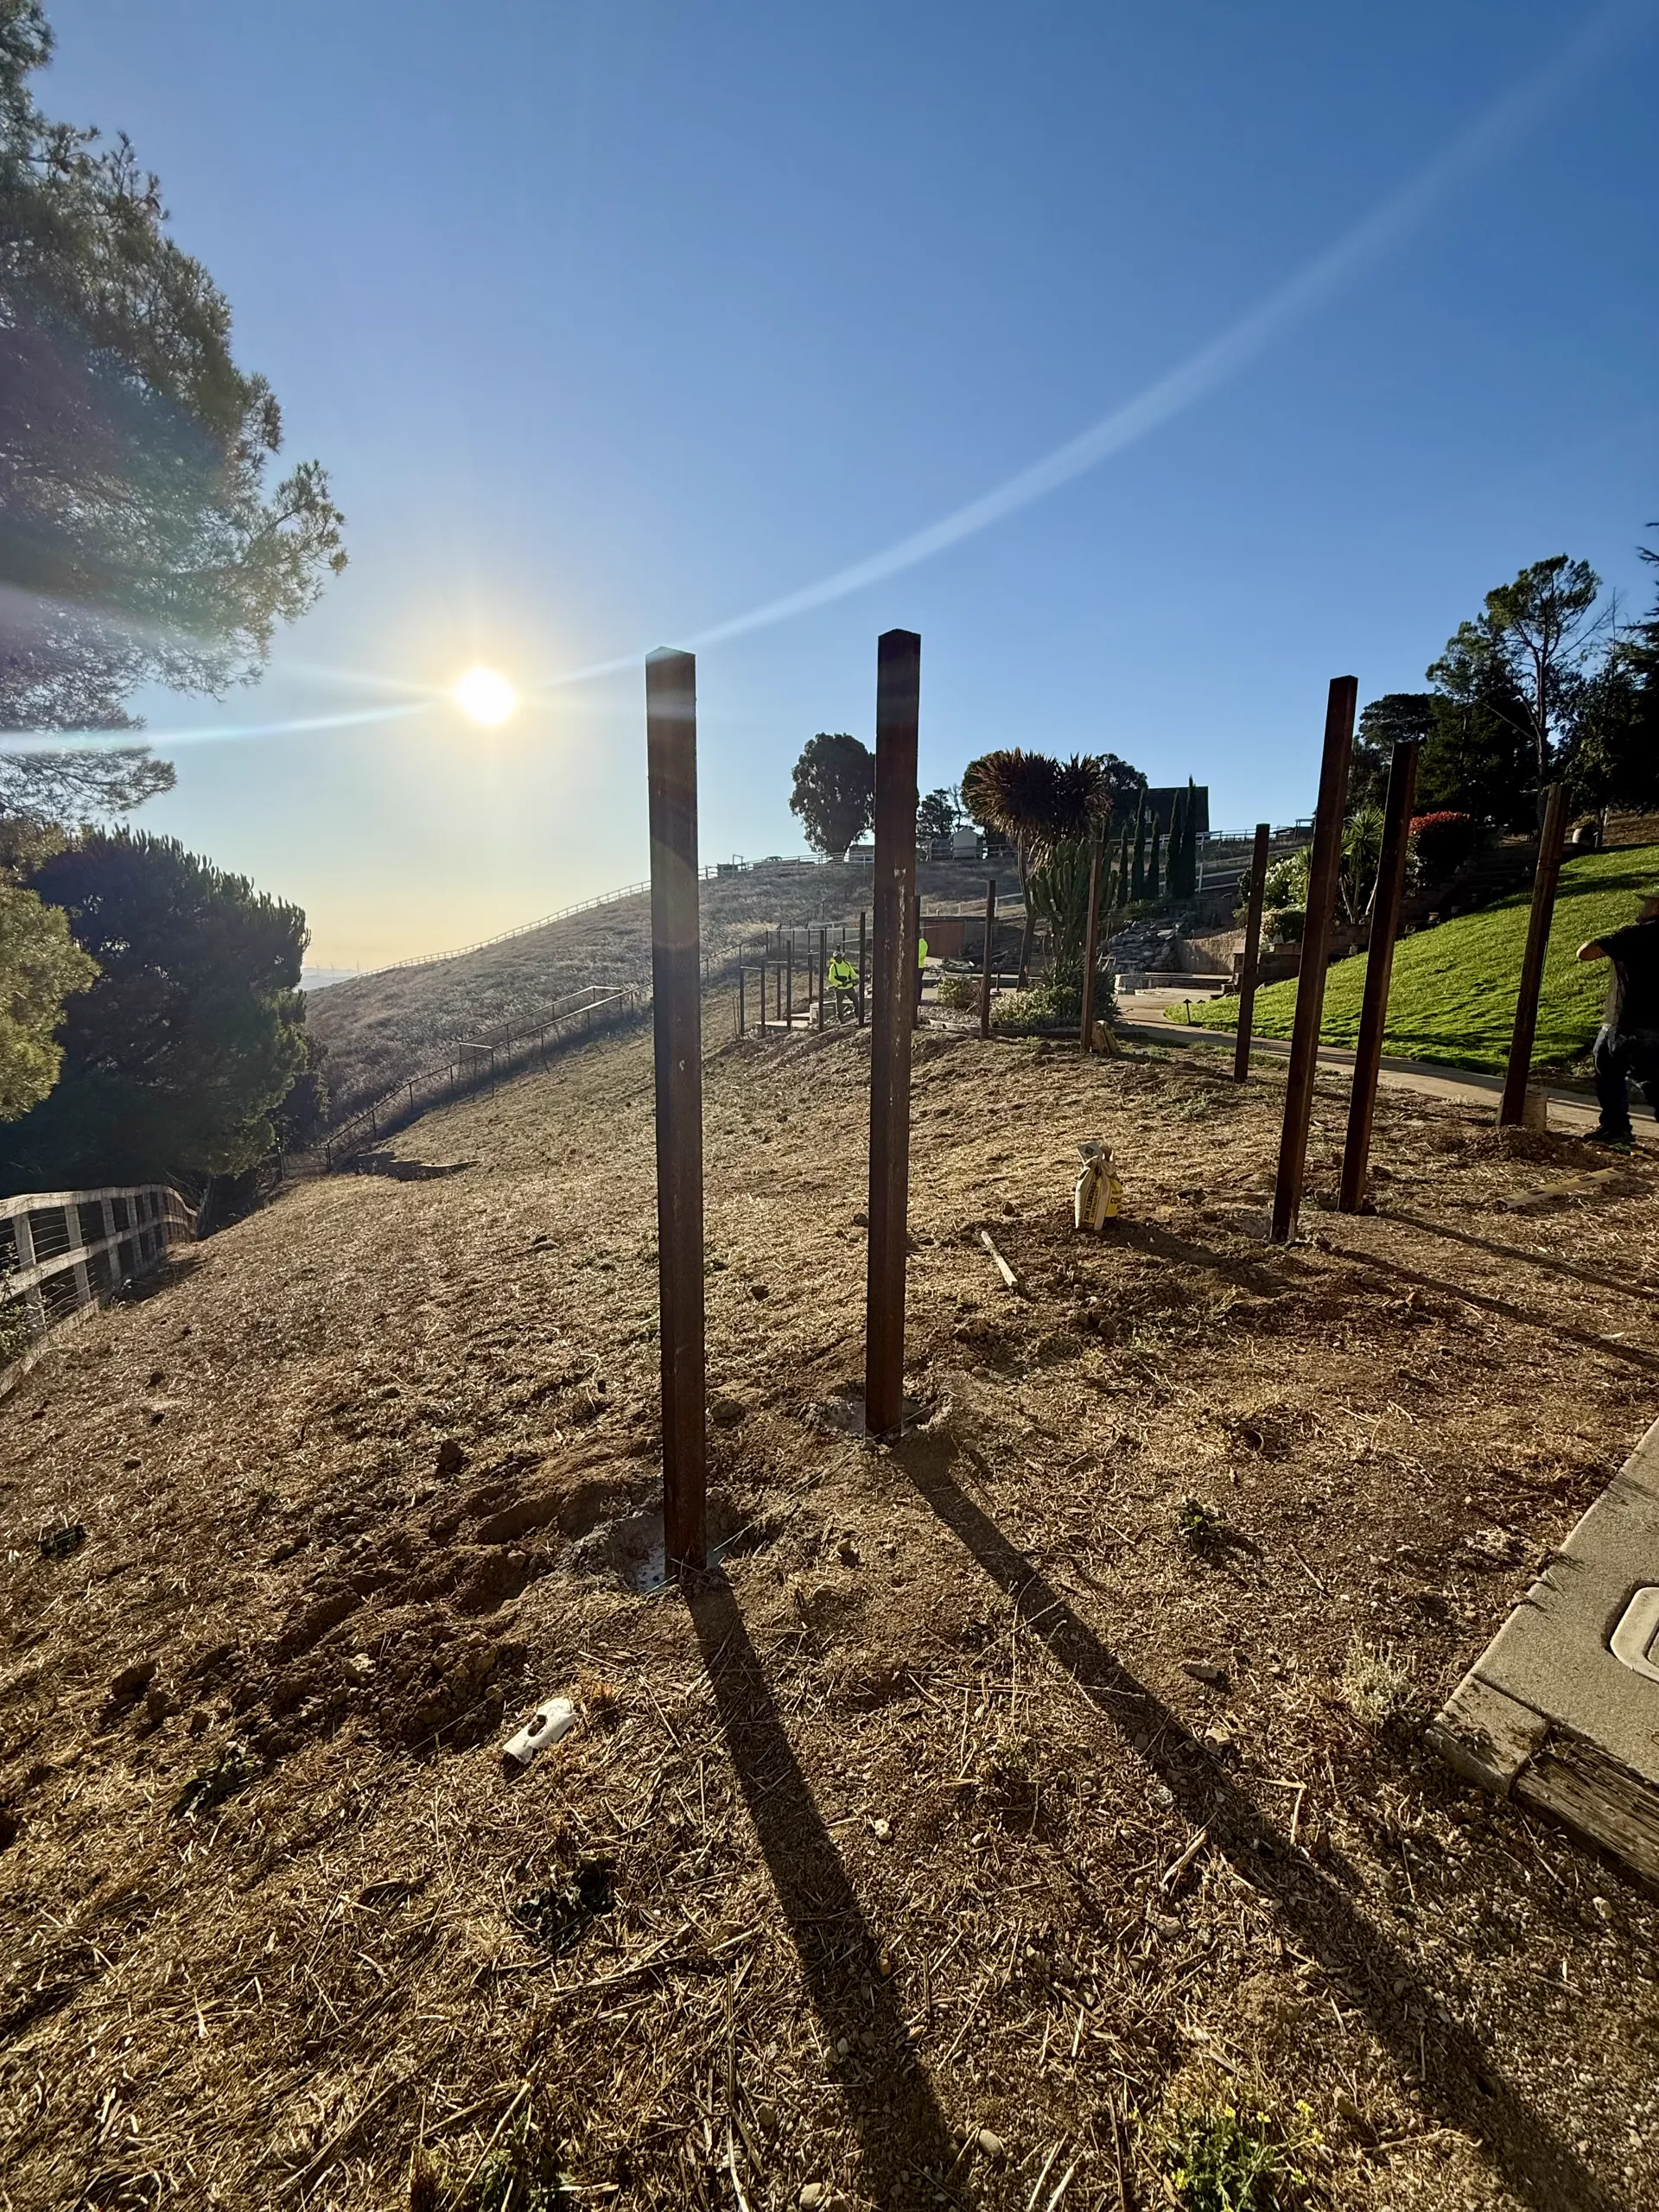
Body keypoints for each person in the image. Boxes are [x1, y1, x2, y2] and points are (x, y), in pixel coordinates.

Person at [1576, 893, 1659, 1148]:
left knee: (1636, 1075)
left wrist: (1613, 937)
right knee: (1632, 1074)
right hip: (1650, 1023)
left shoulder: (1636, 934)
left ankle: (1616, 1129)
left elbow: (1586, 953)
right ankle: (1614, 1128)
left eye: (1648, 902)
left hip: (1629, 1022)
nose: (1643, 907)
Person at [826, 949, 858, 1021]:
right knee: (839, 1003)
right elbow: (831, 978)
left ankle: (857, 1017)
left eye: (840, 957)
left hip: (849, 987)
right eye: (837, 957)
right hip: (840, 989)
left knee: (856, 1001)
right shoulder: (833, 967)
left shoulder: (847, 964)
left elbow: (852, 973)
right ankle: (841, 1020)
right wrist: (840, 983)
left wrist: (857, 978)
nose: (839, 958)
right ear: (835, 959)